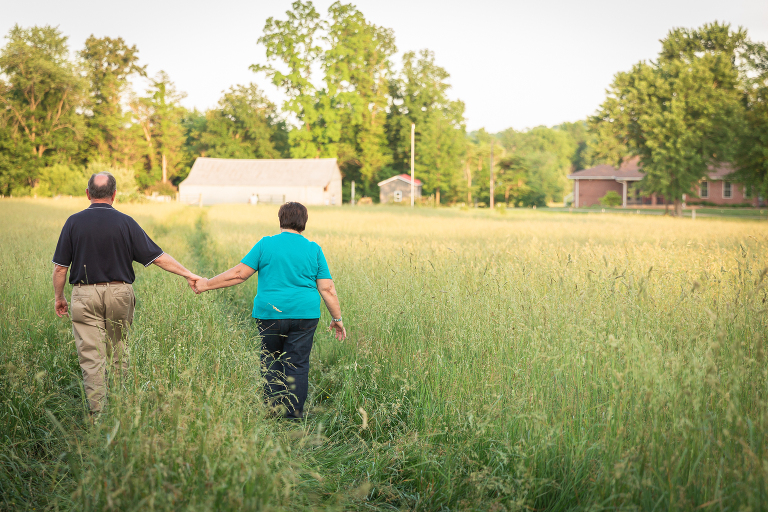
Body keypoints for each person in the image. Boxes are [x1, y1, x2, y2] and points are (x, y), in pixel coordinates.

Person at [52, 172, 201, 417]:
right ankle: (120, 410)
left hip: (84, 294)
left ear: (88, 194)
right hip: (120, 293)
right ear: (114, 195)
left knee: (92, 357)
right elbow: (158, 258)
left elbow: (60, 268)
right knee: (118, 349)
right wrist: (188, 274)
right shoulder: (126, 222)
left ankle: (98, 416)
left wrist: (60, 298)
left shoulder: (73, 222)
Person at [193, 202, 346, 419]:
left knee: (271, 360)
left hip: (270, 314)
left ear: (280, 219)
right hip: (305, 315)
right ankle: (293, 417)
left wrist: (206, 284)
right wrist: (337, 318)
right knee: (298, 364)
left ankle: (273, 412)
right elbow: (327, 288)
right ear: (304, 222)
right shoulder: (314, 249)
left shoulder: (265, 245)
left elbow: (239, 274)